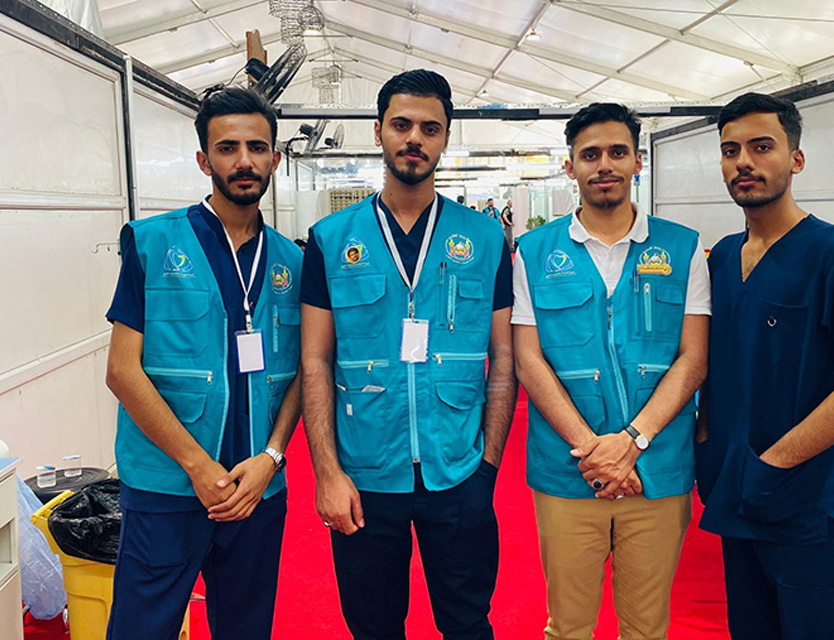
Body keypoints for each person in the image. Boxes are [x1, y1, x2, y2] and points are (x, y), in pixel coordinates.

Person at [300, 69, 516, 640]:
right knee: (373, 627)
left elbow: (503, 357)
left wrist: (487, 468)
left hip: (458, 472)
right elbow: (315, 360)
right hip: (365, 477)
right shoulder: (329, 239)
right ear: (378, 132)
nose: (414, 138)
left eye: (430, 128)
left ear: (445, 138)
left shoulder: (485, 238)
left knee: (468, 624)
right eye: (401, 125)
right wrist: (327, 472)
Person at [695, 92, 834, 640]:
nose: (744, 162)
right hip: (735, 494)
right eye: (731, 150)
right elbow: (716, 365)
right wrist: (708, 444)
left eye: (762, 147)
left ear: (796, 159)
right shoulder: (721, 258)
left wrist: (776, 464)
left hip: (804, 506)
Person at [104, 86, 303, 639]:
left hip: (256, 489)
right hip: (168, 488)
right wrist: (196, 465)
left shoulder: (292, 261)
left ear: (275, 160)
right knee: (141, 629)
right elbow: (122, 370)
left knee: (246, 629)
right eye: (228, 147)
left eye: (257, 148)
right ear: (203, 159)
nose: (244, 161)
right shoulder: (151, 243)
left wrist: (271, 458)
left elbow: (302, 374)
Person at [513, 103, 710, 640]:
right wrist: (594, 453)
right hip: (568, 471)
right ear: (570, 165)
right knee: (568, 627)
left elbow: (693, 358)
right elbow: (529, 360)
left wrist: (632, 442)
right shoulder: (533, 252)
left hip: (657, 470)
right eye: (590, 154)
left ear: (638, 161)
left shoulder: (683, 248)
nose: (605, 165)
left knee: (646, 627)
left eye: (618, 152)